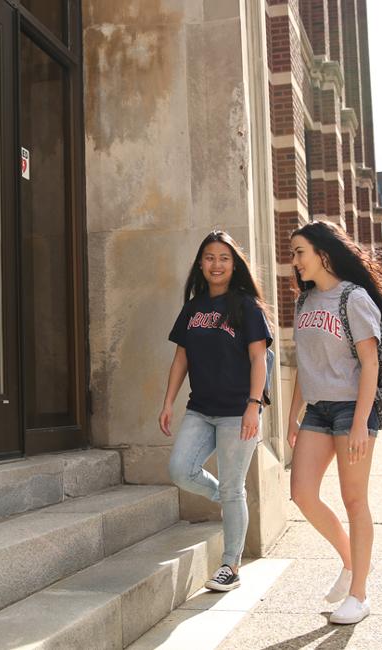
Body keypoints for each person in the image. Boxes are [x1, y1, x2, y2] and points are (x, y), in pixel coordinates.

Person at [286, 221, 382, 625]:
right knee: (301, 493)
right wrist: (292, 414)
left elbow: (370, 363)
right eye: (293, 252)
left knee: (354, 500)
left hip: (353, 408)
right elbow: (305, 363)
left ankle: (359, 595)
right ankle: (352, 562)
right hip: (317, 410)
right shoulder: (304, 303)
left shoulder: (353, 298)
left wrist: (360, 424)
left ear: (323, 253)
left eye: (300, 251)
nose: (294, 260)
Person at [160, 231, 273, 593]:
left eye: (223, 257)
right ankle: (227, 498)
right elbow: (181, 358)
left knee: (233, 486)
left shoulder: (246, 306)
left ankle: (231, 565)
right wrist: (167, 402)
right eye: (209, 257)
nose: (216, 264)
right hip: (200, 408)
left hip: (238, 412)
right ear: (200, 264)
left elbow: (259, 358)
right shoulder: (192, 308)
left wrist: (254, 406)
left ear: (233, 264)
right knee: (181, 470)